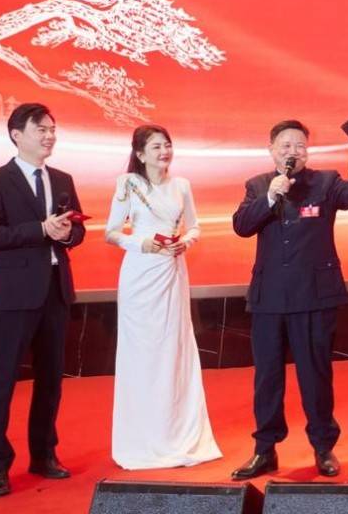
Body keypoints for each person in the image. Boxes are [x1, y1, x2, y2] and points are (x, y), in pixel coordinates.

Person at [230, 119, 348, 480]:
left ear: (307, 152)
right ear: (271, 150)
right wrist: (270, 197)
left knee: (316, 376)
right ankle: (265, 450)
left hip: (313, 296)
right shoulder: (258, 185)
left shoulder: (325, 183)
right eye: (286, 145)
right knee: (267, 378)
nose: (293, 151)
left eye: (299, 146)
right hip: (269, 299)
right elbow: (242, 226)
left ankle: (323, 447)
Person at [0, 102, 86, 497]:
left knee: (51, 379)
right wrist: (40, 229)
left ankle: (44, 454)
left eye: (52, 129)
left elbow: (76, 230)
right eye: (41, 129)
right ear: (17, 135)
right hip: (13, 295)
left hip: (55, 290)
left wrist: (67, 234)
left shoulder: (63, 179)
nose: (49, 136)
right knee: (1, 381)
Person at [105, 124, 223, 469]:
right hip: (140, 273)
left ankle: (177, 433)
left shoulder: (181, 185)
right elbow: (111, 232)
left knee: (173, 348)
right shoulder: (128, 183)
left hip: (172, 270)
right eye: (156, 147)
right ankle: (141, 437)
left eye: (167, 145)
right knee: (143, 351)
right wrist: (141, 243)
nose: (164, 152)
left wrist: (186, 241)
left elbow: (195, 225)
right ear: (140, 154)